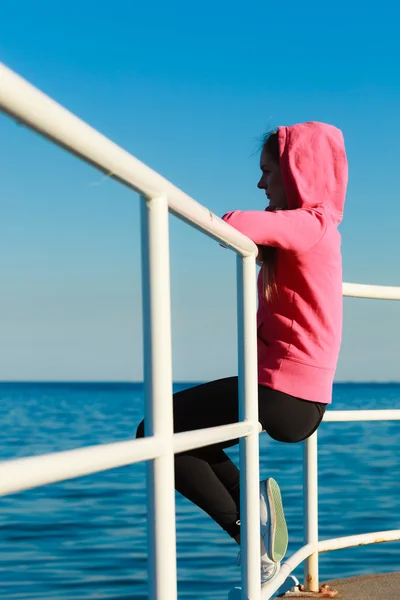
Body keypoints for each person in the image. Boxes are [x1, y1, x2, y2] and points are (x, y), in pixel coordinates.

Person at [137, 121, 348, 586]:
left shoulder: (312, 224)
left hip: (282, 394)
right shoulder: (317, 232)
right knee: (180, 434)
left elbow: (235, 223)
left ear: (296, 173)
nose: (260, 183)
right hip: (297, 396)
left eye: (268, 172)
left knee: (154, 430)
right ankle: (252, 517)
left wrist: (239, 232)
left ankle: (249, 530)